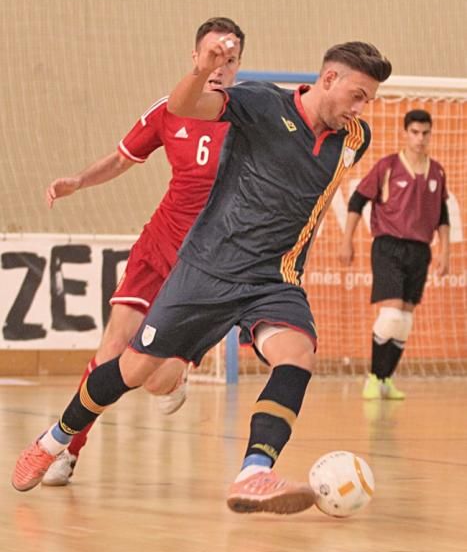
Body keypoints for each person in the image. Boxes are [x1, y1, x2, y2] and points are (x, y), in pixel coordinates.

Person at [12, 38, 392, 515]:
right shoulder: (259, 103)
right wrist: (203, 70)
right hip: (206, 269)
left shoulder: (355, 138)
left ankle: (254, 472)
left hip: (274, 277)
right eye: (358, 95)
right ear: (329, 78)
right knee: (133, 370)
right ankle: (54, 439)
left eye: (370, 100)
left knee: (297, 356)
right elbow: (184, 106)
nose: (363, 108)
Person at [40, 17, 245, 487]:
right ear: (194, 58)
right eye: (211, 55)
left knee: (154, 379)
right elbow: (120, 158)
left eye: (229, 60)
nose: (219, 66)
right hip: (158, 244)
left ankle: (179, 370)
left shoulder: (247, 116)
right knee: (111, 348)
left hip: (206, 261)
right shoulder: (169, 109)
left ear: (238, 67)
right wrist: (78, 180)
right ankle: (68, 449)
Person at [339, 109, 450, 400]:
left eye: (425, 133)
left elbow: (443, 215)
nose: (420, 138)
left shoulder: (437, 171)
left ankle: (386, 379)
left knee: (405, 320)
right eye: (414, 132)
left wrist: (445, 251)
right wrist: (347, 239)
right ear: (405, 133)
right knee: (390, 315)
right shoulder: (388, 166)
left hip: (420, 250)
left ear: (430, 134)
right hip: (388, 245)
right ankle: (374, 378)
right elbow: (357, 199)